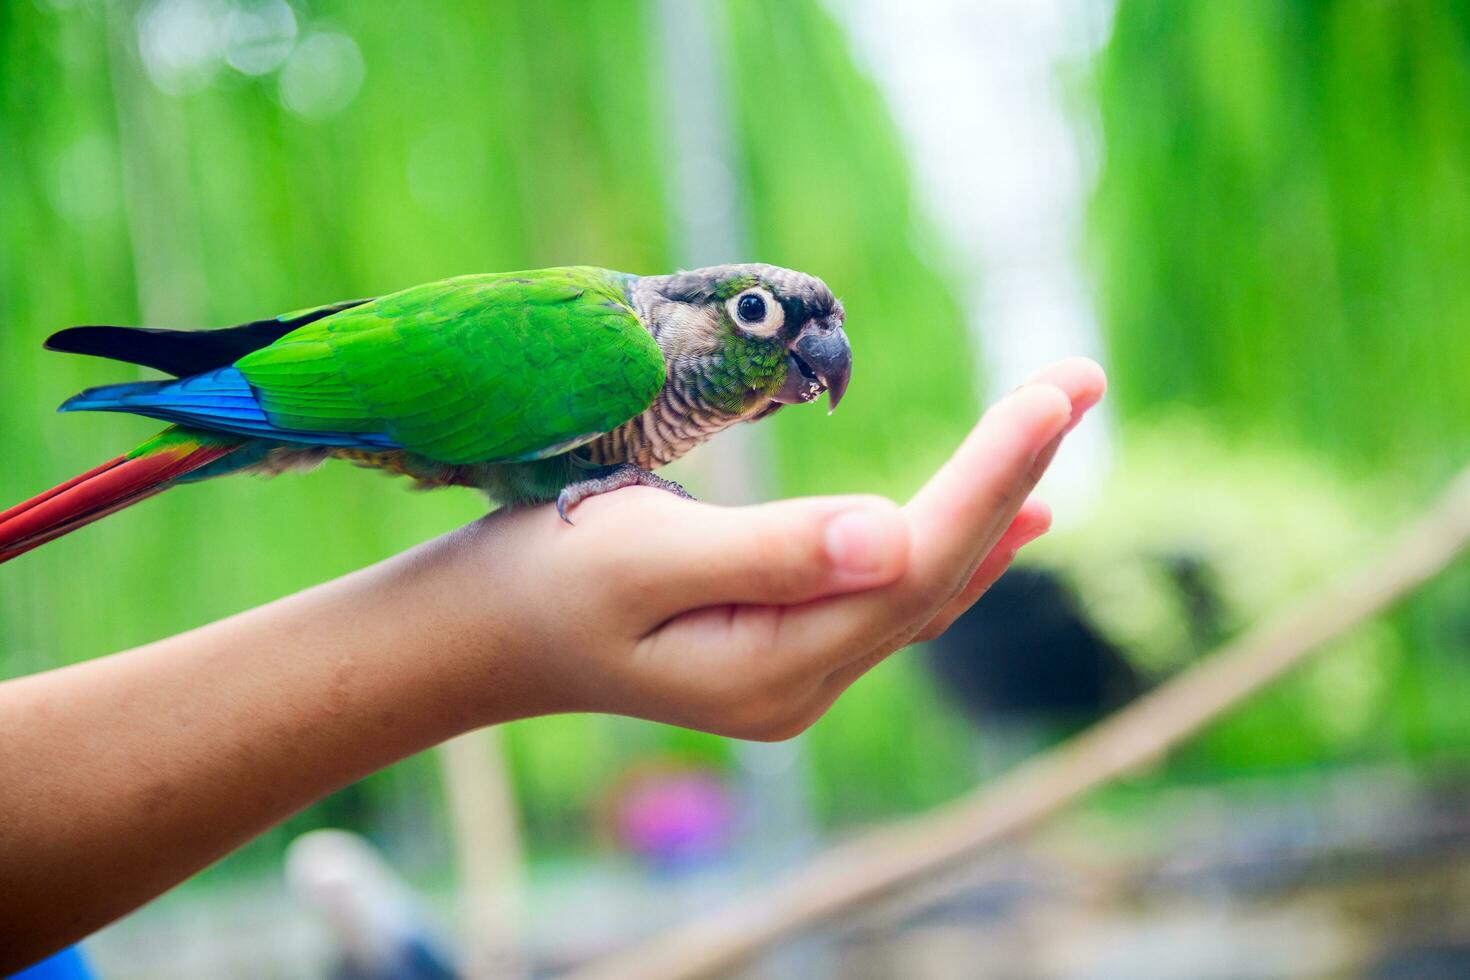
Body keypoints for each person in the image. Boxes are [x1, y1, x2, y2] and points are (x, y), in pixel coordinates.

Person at [0, 359, 1105, 972]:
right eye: (762, 317)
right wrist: (498, 625)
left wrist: (507, 615)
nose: (808, 350)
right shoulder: (611, 355)